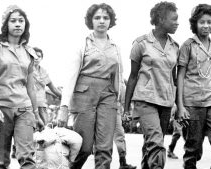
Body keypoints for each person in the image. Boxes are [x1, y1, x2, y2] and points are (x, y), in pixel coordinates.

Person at [57, 3, 123, 169]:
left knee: (105, 148)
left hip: (108, 96)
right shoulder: (82, 43)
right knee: (83, 147)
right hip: (83, 95)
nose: (102, 21)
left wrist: (119, 100)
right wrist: (63, 107)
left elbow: (119, 76)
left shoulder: (115, 46)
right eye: (97, 18)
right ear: (90, 21)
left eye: (106, 18)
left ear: (111, 21)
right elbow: (71, 76)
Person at [0, 5, 43, 169]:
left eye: (21, 21)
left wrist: (36, 114)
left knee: (27, 158)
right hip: (0, 109)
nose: (17, 24)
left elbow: (31, 87)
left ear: (25, 24)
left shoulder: (29, 52)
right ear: (6, 25)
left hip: (24, 110)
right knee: (1, 161)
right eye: (13, 21)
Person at [124, 2, 179, 168]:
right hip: (145, 100)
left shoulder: (175, 47)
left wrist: (178, 105)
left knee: (151, 145)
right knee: (157, 144)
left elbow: (174, 78)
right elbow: (133, 77)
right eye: (174, 19)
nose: (177, 23)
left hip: (166, 102)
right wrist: (126, 109)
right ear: (161, 19)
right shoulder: (141, 44)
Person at [177, 4, 211, 169]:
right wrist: (180, 106)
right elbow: (180, 75)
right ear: (195, 24)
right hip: (192, 101)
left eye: (209, 22)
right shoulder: (187, 45)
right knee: (193, 148)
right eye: (202, 22)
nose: (206, 25)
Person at [33, 47, 62, 124]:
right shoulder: (25, 70)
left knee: (42, 130)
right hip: (28, 106)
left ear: (41, 58)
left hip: (41, 105)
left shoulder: (43, 71)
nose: (36, 58)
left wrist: (65, 98)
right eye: (34, 55)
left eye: (39, 56)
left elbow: (53, 89)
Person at [114, 83, 137, 169]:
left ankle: (123, 162)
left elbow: (123, 94)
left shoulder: (120, 80)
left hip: (115, 109)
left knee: (120, 135)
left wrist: (127, 111)